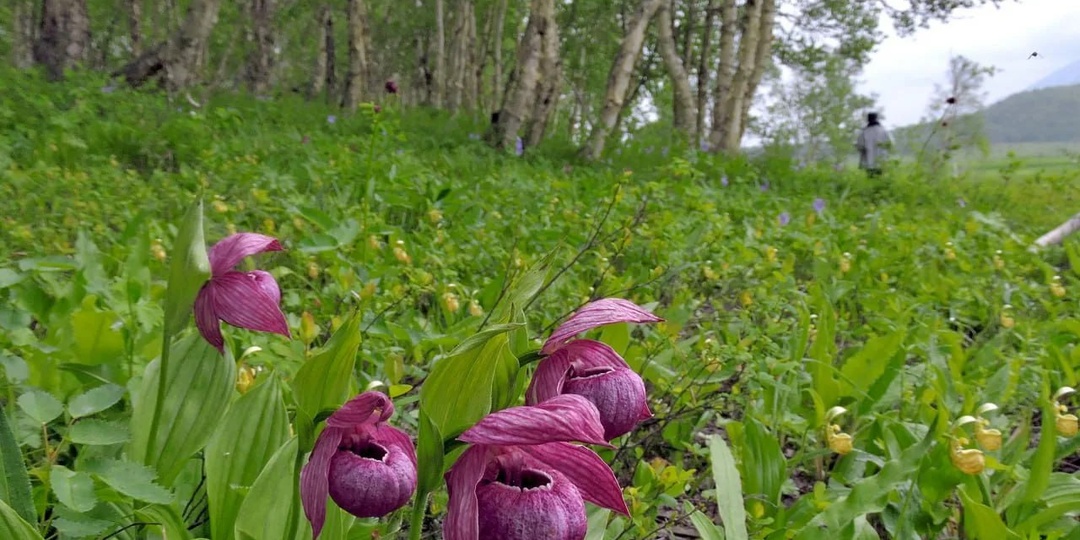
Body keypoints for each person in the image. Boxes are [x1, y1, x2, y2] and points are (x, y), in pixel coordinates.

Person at [856, 112, 893, 177]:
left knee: (871, 179)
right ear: (877, 119)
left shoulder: (864, 132)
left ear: (868, 120)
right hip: (882, 161)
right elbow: (890, 144)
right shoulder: (884, 131)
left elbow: (860, 146)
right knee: (881, 179)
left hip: (869, 162)